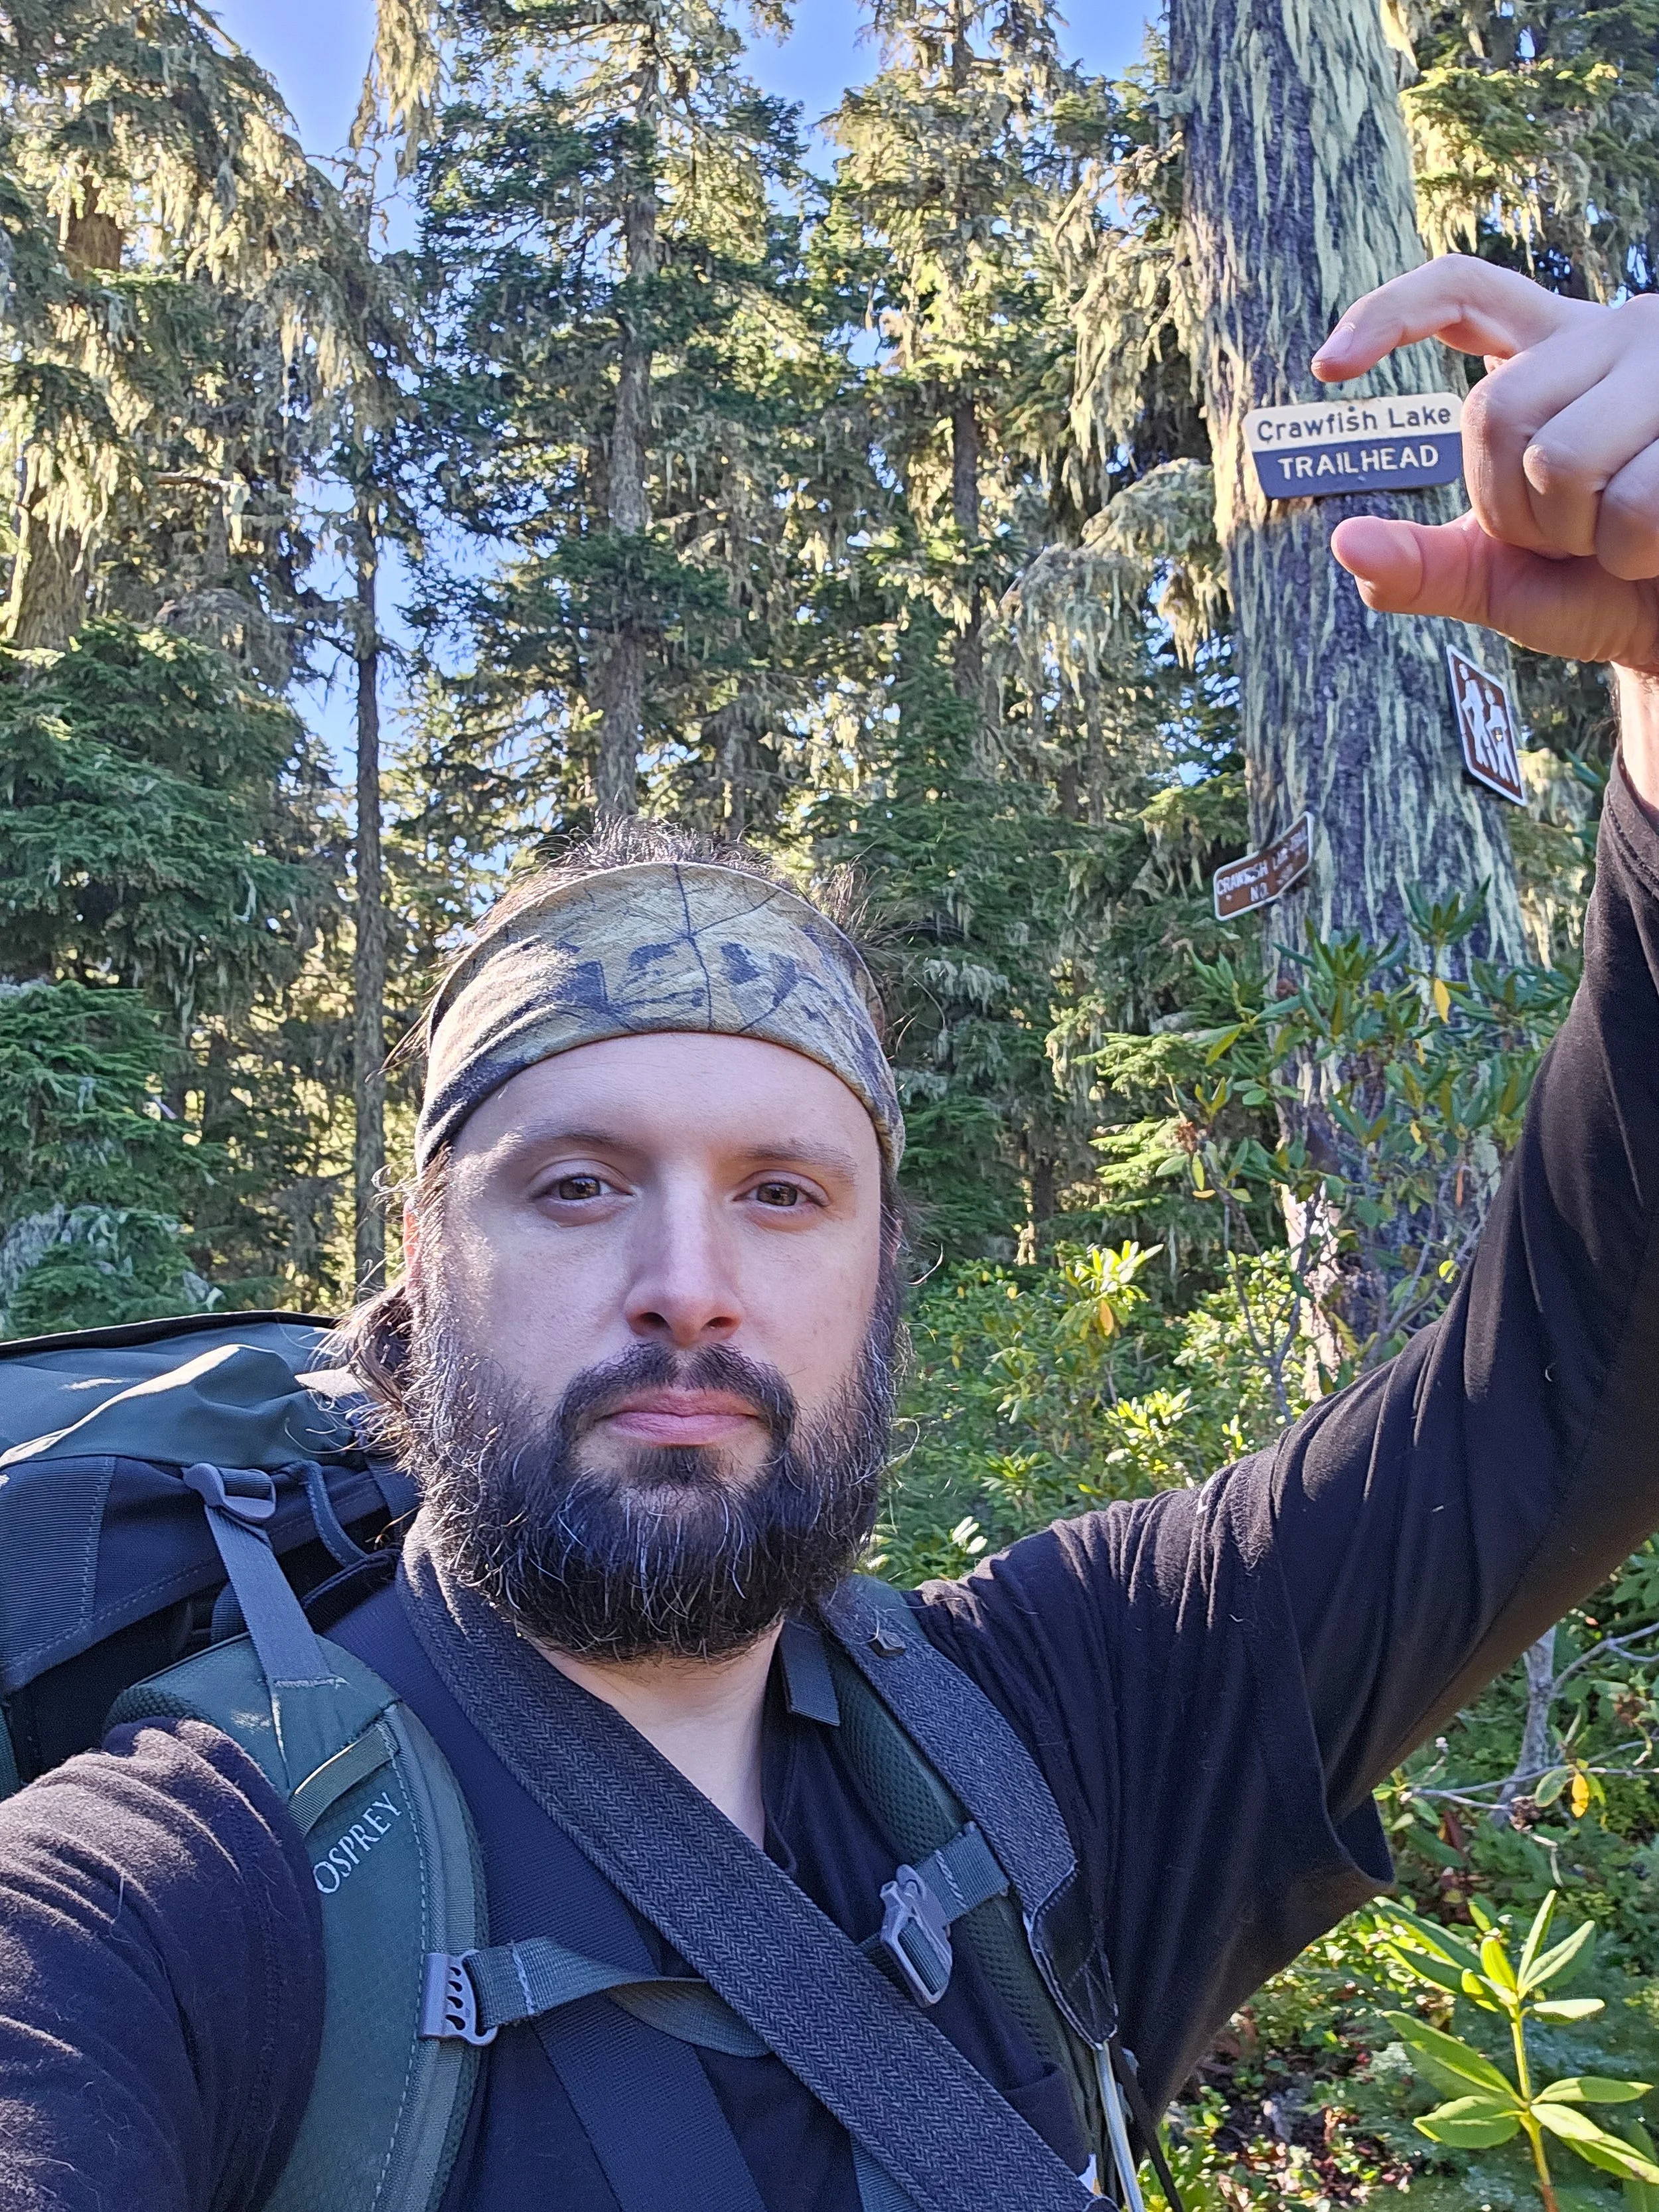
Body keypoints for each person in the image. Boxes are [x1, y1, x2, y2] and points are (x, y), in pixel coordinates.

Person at [2, 254, 1659, 2212]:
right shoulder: (189, 1888)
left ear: (883, 1272)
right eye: (575, 1184)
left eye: (782, 1192)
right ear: (417, 1272)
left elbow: (1578, 1383)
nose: (686, 1287)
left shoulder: (1069, 1722)